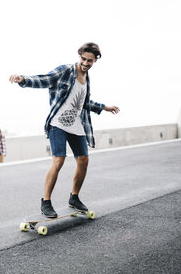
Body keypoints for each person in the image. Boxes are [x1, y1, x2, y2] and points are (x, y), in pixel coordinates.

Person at [9, 42, 120, 218]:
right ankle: (46, 202)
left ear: (95, 61)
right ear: (80, 56)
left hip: (76, 125)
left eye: (89, 61)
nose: (85, 63)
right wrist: (23, 79)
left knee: (83, 160)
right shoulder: (65, 71)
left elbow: (82, 103)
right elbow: (44, 79)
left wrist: (104, 107)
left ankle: (74, 197)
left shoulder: (87, 79)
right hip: (57, 124)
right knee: (58, 160)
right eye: (83, 59)